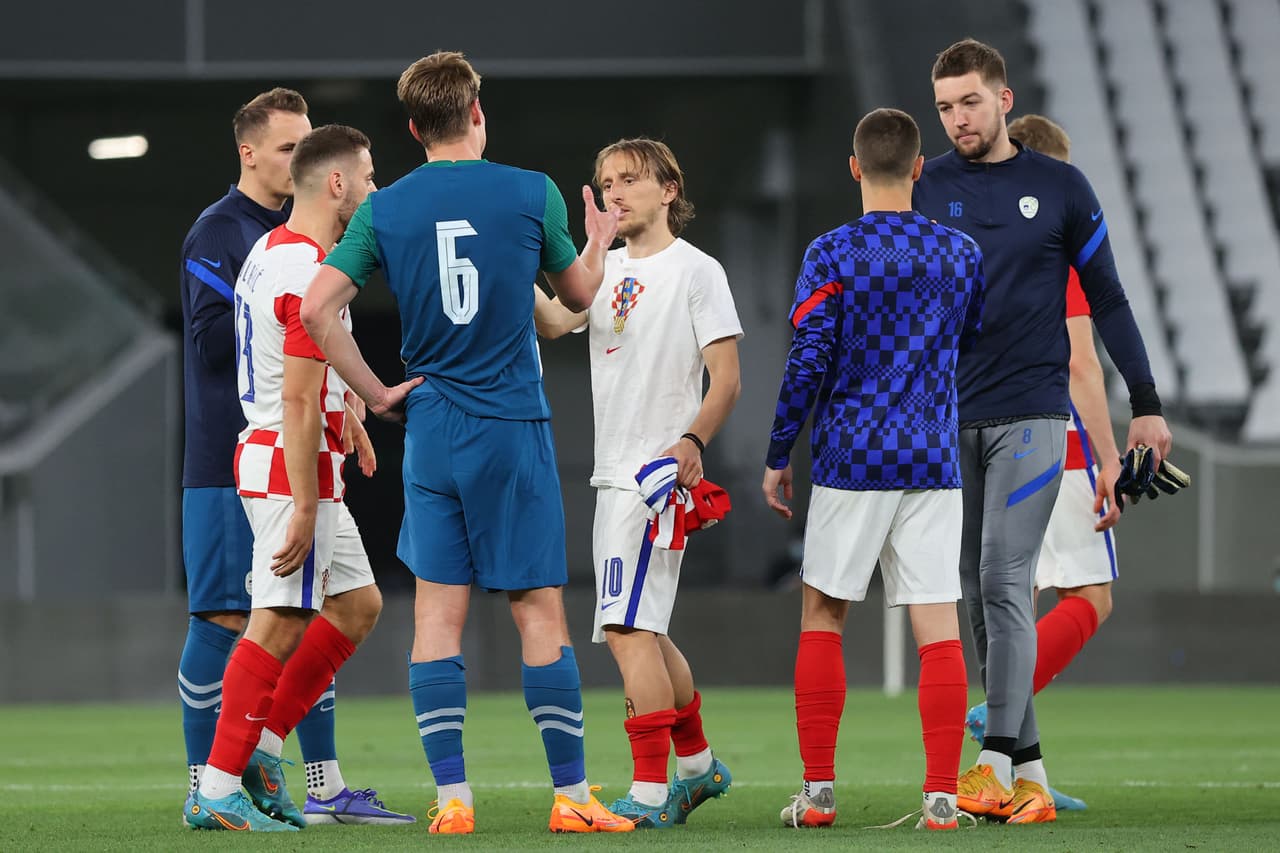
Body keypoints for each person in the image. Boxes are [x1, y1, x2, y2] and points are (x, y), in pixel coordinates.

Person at [298, 51, 633, 835]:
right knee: (538, 613)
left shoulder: (386, 209)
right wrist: (598, 240)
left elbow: (317, 311)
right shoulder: (529, 191)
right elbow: (580, 299)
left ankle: (453, 797)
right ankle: (572, 797)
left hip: (434, 430)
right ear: (477, 112)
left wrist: (377, 392)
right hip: (511, 427)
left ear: (414, 129)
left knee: (436, 620)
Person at [914, 39, 1173, 823]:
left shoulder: (1060, 187)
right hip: (946, 416)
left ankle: (990, 761)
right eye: (945, 107)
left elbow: (1112, 301)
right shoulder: (927, 188)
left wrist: (1148, 403)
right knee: (971, 588)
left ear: (1003, 98)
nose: (957, 119)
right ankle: (1027, 779)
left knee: (1002, 577)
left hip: (1030, 414)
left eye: (969, 102)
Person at [178, 89, 405, 825]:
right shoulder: (307, 272)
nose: (373, 191)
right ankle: (216, 787)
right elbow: (298, 397)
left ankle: (263, 744)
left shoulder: (277, 253)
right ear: (337, 183)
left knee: (356, 604)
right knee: (272, 622)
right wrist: (307, 501)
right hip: (286, 462)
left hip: (284, 452)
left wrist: (355, 414)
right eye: (367, 177)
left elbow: (299, 368)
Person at [762, 108, 983, 831]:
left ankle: (820, 794)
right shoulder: (960, 255)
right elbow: (968, 340)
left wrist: (777, 453)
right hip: (931, 455)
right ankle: (943, 799)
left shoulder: (832, 254)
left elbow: (808, 359)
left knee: (824, 614)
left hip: (852, 457)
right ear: (921, 167)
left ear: (855, 167)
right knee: (938, 624)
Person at [534, 138, 742, 828]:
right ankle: (695, 765)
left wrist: (689, 443)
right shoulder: (605, 269)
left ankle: (651, 791)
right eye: (604, 182)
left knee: (624, 627)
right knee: (643, 625)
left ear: (669, 189)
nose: (615, 192)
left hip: (654, 478)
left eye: (629, 179)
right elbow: (560, 320)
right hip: (613, 473)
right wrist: (512, 265)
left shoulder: (697, 270)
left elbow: (728, 377)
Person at [961, 113, 1123, 814]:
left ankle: (1027, 776)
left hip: (991, 431)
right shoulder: (1059, 243)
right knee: (1089, 596)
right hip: (1058, 445)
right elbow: (1083, 361)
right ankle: (1003, 707)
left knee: (1008, 600)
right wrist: (1110, 454)